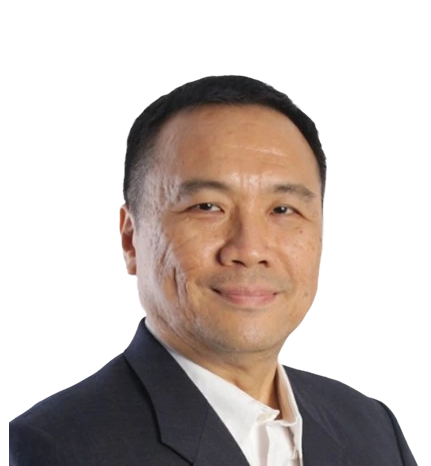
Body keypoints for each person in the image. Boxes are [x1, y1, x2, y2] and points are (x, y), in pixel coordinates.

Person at [8, 74, 418, 466]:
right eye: (207, 207)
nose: (250, 250)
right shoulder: (55, 448)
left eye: (283, 209)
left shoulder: (370, 426)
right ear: (131, 238)